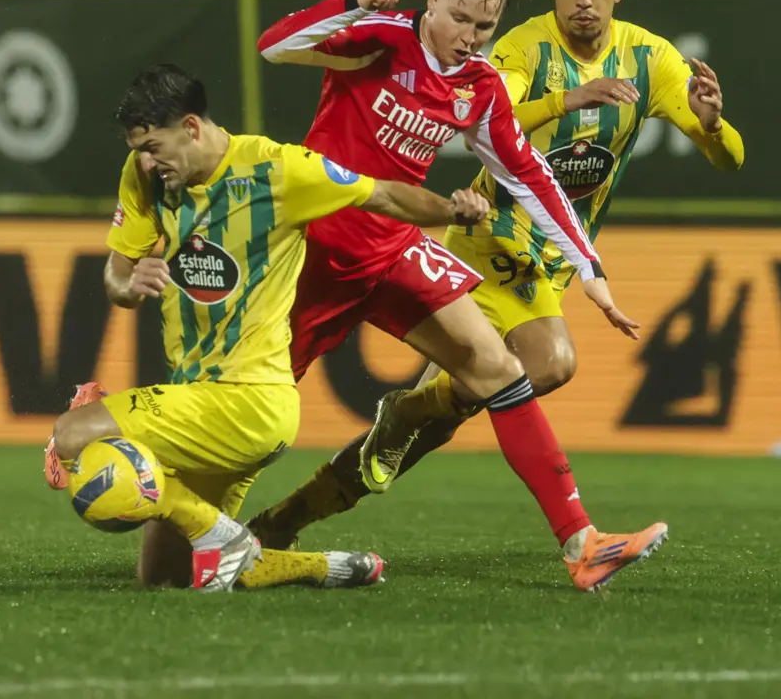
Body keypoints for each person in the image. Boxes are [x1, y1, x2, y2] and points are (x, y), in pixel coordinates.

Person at [251, 0, 667, 591]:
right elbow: (275, 46)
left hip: (393, 250)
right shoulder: (383, 36)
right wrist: (352, 1)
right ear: (434, 0)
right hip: (315, 256)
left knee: (500, 368)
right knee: (252, 421)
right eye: (461, 20)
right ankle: (184, 516)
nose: (470, 40)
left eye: (485, 29)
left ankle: (582, 544)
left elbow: (528, 174)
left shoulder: (478, 87)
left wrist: (590, 269)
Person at [43, 63, 491, 592]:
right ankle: (315, 566)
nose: (146, 160)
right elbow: (117, 278)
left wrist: (451, 211)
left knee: (71, 436)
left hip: (250, 401)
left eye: (154, 146)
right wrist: (130, 279)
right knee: (165, 578)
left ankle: (221, 534)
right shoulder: (145, 176)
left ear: (191, 127)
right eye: (138, 147)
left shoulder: (279, 171)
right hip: (199, 401)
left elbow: (384, 196)